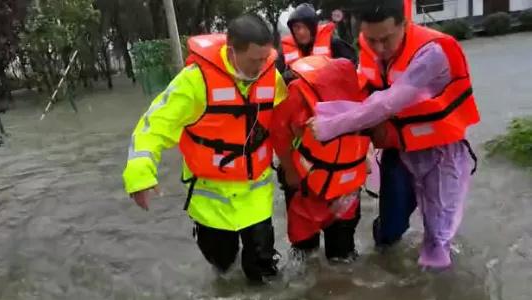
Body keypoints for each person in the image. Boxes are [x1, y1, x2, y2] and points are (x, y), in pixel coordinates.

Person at [310, 0, 480, 270]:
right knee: (390, 230)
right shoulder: (369, 48)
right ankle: (388, 279)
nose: (379, 48)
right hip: (399, 148)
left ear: (404, 24)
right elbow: (364, 94)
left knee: (438, 237)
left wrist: (331, 125)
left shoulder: (433, 53)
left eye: (386, 39)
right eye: (371, 39)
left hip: (441, 152)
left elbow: (388, 103)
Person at [122, 14, 288, 283]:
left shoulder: (271, 75)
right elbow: (153, 126)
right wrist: (140, 175)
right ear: (232, 52)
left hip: (255, 190)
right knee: (222, 266)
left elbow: (286, 117)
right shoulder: (194, 81)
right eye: (254, 60)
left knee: (264, 269)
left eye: (265, 59)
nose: (261, 66)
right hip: (212, 195)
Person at [270, 55, 370, 266]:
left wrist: (289, 169)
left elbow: (279, 133)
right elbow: (279, 133)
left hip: (330, 186)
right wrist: (289, 170)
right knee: (323, 255)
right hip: (323, 185)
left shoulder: (363, 92)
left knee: (323, 255)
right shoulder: (298, 92)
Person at [276, 3, 356, 82]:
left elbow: (352, 64)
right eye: (297, 27)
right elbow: (276, 77)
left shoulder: (333, 43)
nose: (301, 32)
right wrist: (287, 76)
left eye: (305, 27)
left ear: (313, 27)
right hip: (301, 93)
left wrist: (329, 69)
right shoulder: (284, 51)